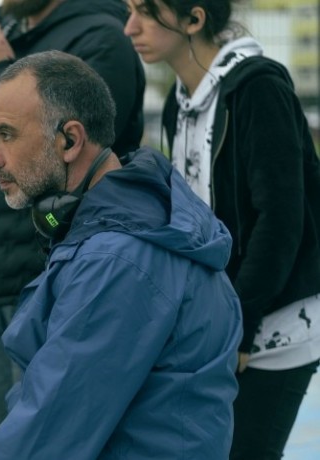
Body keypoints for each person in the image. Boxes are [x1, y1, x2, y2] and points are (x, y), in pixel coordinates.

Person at [0, 50, 242, 458]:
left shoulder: (118, 261)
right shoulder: (131, 224)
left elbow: (47, 436)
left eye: (6, 134)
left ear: (70, 140)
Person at [0, 0, 146, 432]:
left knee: (46, 434)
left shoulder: (101, 37)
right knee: (7, 437)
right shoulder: (11, 37)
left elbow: (76, 151)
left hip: (46, 277)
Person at [124, 1, 320, 458]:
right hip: (217, 326)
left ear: (194, 20)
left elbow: (280, 222)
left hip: (272, 327)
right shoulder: (179, 104)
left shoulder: (258, 89)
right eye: (128, 9)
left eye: (146, 12)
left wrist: (240, 327)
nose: (130, 27)